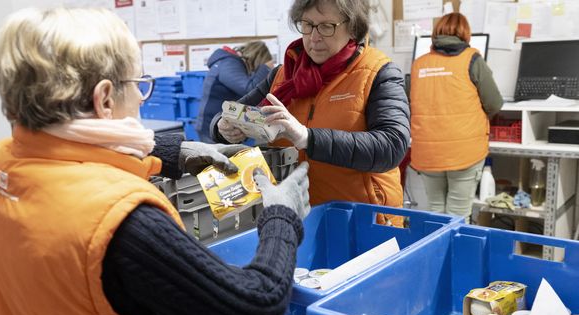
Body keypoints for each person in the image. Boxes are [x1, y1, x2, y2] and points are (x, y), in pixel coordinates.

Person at [0, 7, 310, 315]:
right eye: (137, 83)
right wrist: (282, 216)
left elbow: (75, 155)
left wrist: (173, 151)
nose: (140, 94)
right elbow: (255, 306)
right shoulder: (124, 224)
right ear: (104, 98)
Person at [211, 0, 410, 225]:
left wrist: (308, 138)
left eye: (327, 26)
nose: (314, 37)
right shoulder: (282, 75)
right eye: (307, 24)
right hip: (295, 219)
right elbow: (232, 113)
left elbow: (392, 147)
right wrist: (223, 127)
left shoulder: (378, 72)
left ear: (353, 28)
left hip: (363, 220)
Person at [409, 12, 503, 221]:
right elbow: (495, 103)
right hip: (464, 153)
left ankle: (438, 253)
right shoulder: (472, 59)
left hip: (428, 153)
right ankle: (459, 254)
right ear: (465, 34)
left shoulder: (418, 64)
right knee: (458, 215)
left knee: (435, 212)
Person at [195, 41, 274, 143]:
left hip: (222, 122)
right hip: (213, 126)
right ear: (256, 59)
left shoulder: (230, 62)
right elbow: (248, 89)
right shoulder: (229, 63)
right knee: (218, 158)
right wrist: (266, 68)